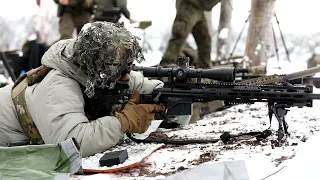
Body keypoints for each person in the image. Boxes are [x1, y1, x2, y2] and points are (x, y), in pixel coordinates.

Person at [0, 22, 165, 157]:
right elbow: (71, 143)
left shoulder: (103, 71)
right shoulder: (59, 85)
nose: (127, 76)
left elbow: (142, 86)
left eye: (128, 67)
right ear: (96, 69)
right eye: (119, 70)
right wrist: (122, 122)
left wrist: (171, 93)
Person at [160, 0, 221, 68]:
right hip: (188, 5)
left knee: (205, 39)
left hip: (199, 8)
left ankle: (205, 69)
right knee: (180, 33)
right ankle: (167, 65)